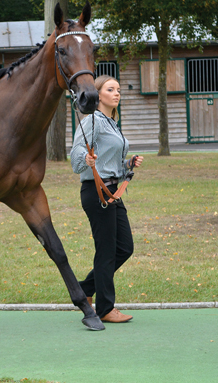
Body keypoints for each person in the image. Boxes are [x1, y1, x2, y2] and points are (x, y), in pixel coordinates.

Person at [70, 75, 144, 324]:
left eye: (119, 90)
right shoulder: (92, 121)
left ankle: (84, 289)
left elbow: (108, 161)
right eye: (110, 89)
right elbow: (77, 153)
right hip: (96, 193)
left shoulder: (111, 123)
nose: (116, 94)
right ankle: (105, 308)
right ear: (97, 94)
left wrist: (128, 163)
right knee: (106, 251)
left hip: (113, 193)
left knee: (124, 248)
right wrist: (85, 160)